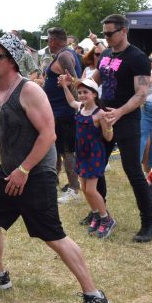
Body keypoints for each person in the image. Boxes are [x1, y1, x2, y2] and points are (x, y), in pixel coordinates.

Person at [0, 33, 112, 303]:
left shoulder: (29, 91)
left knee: (53, 235)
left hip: (36, 172)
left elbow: (48, 135)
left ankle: (95, 296)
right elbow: (2, 130)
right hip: (10, 169)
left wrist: (24, 170)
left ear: (12, 62)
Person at [92, 14, 152, 242]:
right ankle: (101, 214)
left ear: (123, 31)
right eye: (104, 34)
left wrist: (119, 112)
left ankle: (149, 224)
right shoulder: (107, 54)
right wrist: (76, 86)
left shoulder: (137, 57)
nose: (106, 38)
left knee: (133, 171)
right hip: (105, 118)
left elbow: (141, 94)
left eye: (109, 33)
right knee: (96, 167)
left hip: (127, 119)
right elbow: (95, 81)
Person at [61, 77, 115, 237]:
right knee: (84, 188)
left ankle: (107, 219)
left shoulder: (100, 114)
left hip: (94, 155)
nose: (82, 95)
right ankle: (96, 214)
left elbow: (108, 138)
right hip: (81, 153)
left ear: (94, 94)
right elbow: (71, 101)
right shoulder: (79, 108)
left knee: (91, 189)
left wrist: (109, 126)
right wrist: (65, 86)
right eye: (80, 92)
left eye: (86, 92)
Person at [41, 27, 82, 204]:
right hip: (56, 111)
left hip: (65, 111)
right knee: (55, 149)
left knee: (68, 151)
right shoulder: (62, 55)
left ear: (54, 40)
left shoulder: (65, 55)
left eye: (49, 40)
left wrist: (77, 107)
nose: (48, 44)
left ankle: (74, 189)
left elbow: (76, 81)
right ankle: (53, 180)